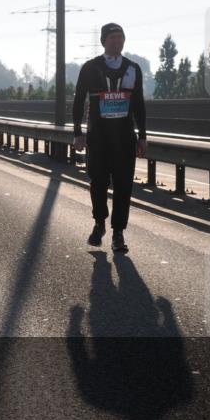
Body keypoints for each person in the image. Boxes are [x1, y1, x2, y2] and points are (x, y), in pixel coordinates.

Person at [72, 23, 147, 254]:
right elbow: (78, 101)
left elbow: (139, 105)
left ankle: (118, 233)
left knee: (124, 186)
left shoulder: (133, 68)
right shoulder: (90, 68)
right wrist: (77, 133)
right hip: (98, 138)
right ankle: (99, 223)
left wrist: (143, 136)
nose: (118, 42)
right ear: (104, 41)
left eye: (121, 38)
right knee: (98, 184)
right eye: (113, 38)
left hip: (125, 138)